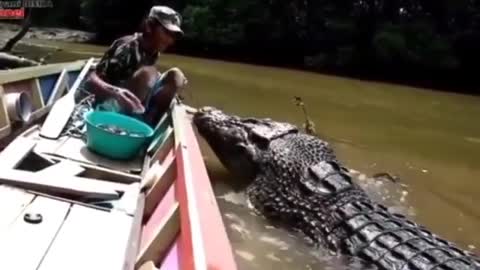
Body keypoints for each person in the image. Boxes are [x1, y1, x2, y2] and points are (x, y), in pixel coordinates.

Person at [84, 5, 188, 125]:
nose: (170, 40)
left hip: (134, 99)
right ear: (149, 26)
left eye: (173, 35)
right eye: (166, 32)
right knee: (148, 73)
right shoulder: (127, 47)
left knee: (176, 76)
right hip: (111, 106)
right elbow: (90, 81)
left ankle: (149, 123)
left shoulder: (154, 51)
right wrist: (115, 91)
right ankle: (122, 123)